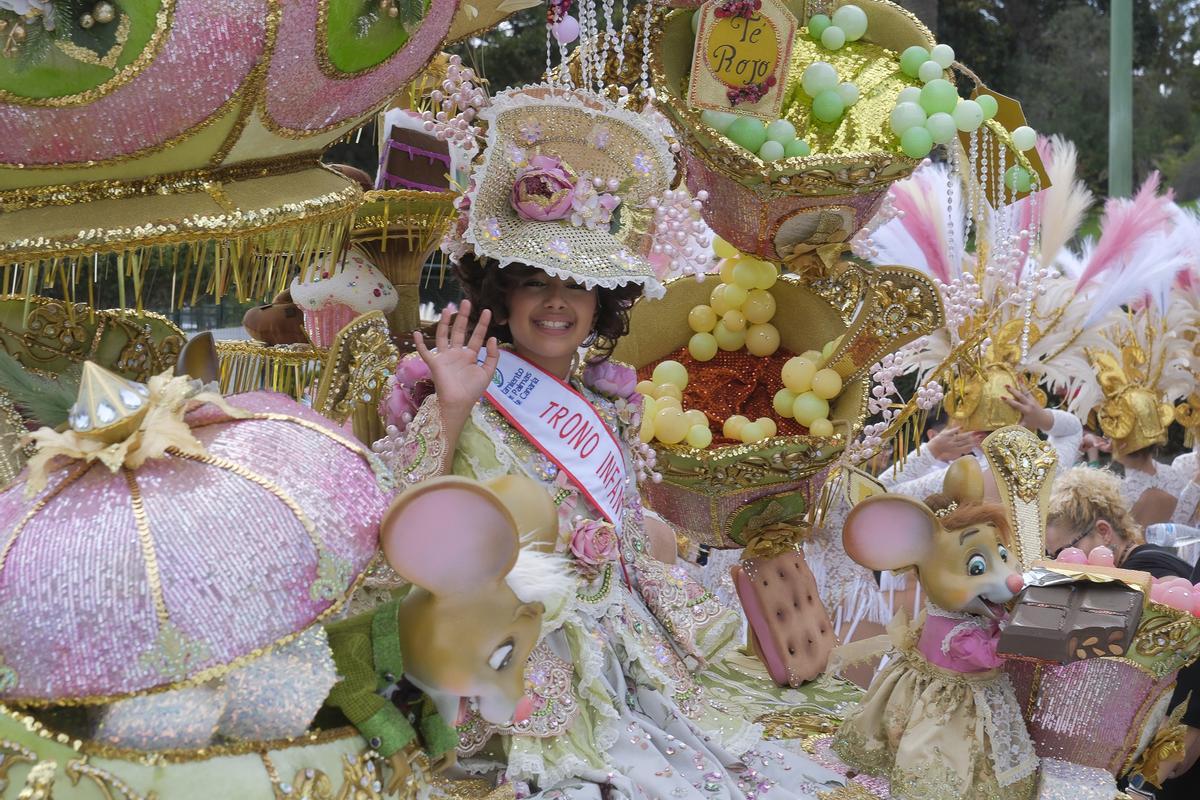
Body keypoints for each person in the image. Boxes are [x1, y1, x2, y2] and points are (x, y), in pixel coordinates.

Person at [371, 85, 841, 799]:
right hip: (516, 641)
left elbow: (621, 545)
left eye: (575, 285)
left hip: (621, 636)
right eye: (533, 284)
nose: (555, 303)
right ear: (504, 298)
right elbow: (399, 527)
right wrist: (453, 408)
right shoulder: (461, 389)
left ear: (600, 303)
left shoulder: (609, 405)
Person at [1045, 466, 1200, 799]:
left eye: (1061, 553)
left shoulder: (1147, 573)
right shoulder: (1134, 568)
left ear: (1103, 531)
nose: (1059, 566)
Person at [881, 385, 1082, 500]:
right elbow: (1073, 429)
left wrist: (931, 450)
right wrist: (1043, 418)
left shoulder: (962, 477)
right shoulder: (1046, 464)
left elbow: (879, 494)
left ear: (975, 434)